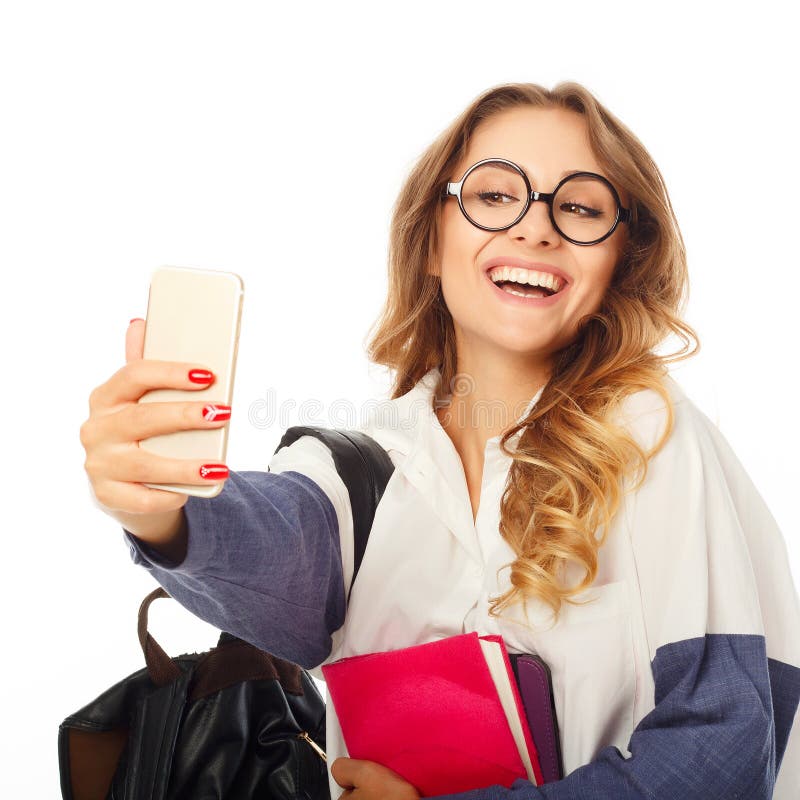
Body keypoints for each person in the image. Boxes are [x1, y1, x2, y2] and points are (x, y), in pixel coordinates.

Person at [80, 81, 800, 799]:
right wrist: (161, 509)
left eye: (580, 207)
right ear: (431, 241)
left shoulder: (652, 437)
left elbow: (723, 751)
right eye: (494, 196)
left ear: (620, 263)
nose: (536, 228)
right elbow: (276, 546)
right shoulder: (365, 465)